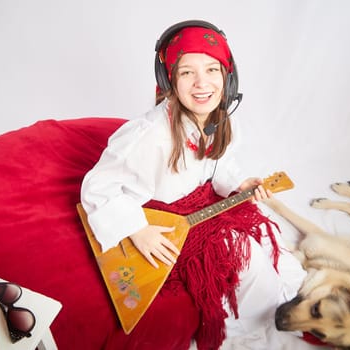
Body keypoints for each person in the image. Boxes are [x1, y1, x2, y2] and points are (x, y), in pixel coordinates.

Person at [81, 20, 306, 349]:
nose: (202, 83)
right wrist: (137, 229)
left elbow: (220, 165)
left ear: (227, 76)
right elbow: (96, 188)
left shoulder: (221, 120)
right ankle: (259, 321)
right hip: (164, 217)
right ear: (169, 79)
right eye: (187, 72)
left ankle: (285, 302)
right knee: (249, 262)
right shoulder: (149, 137)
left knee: (274, 245)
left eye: (212, 70)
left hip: (203, 202)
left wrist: (238, 183)